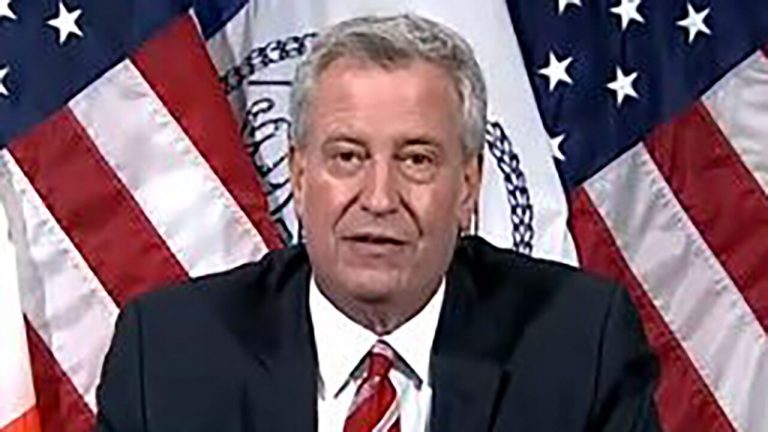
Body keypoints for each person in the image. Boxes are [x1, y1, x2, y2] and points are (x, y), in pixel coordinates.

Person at [95, 13, 660, 432]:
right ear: (299, 175)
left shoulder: (579, 346)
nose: (380, 198)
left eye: (416, 159)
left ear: (468, 185)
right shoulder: (170, 355)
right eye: (347, 157)